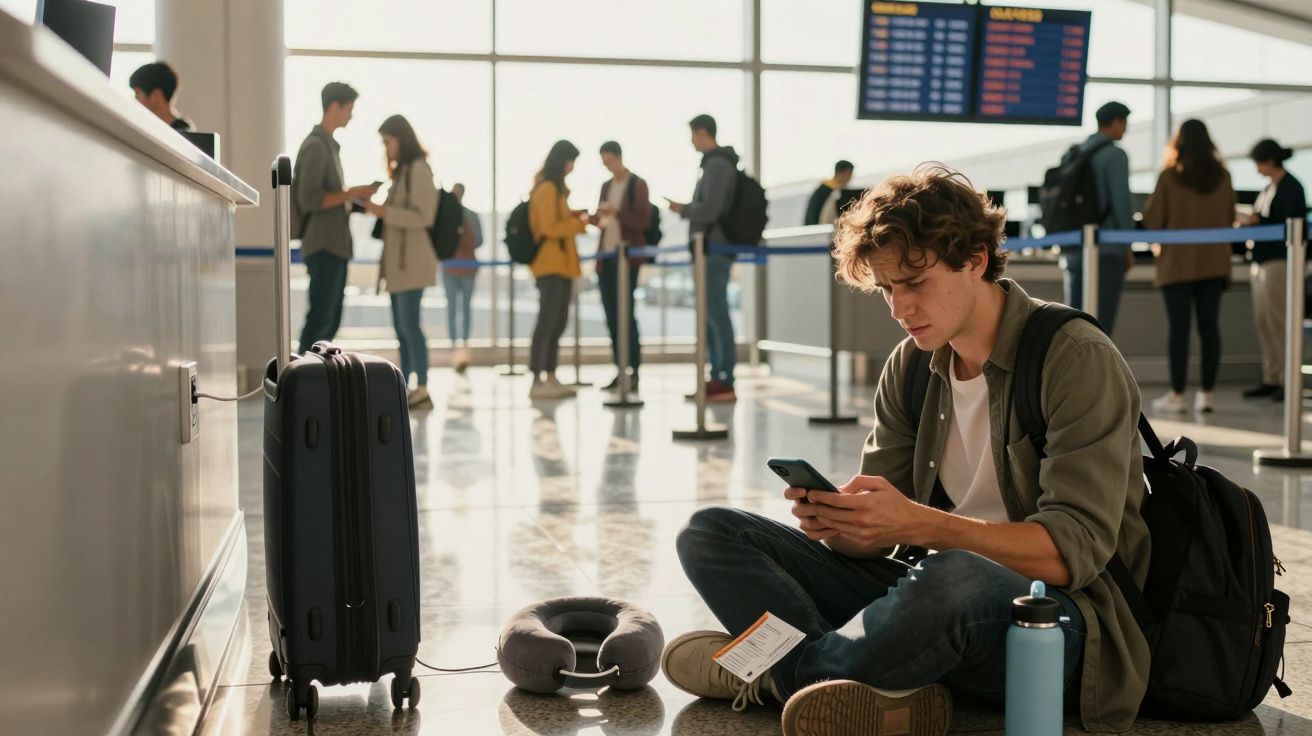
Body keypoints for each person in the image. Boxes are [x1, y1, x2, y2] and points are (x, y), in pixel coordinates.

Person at [663, 165, 1149, 736]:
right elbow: (880, 540)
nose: (899, 308)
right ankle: (870, 687)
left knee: (956, 575)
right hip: (932, 601)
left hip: (1057, 624)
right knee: (713, 532)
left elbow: (1072, 554)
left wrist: (922, 525)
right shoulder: (913, 364)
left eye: (914, 284)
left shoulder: (1073, 357)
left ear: (974, 259)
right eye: (887, 288)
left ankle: (774, 676)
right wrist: (840, 520)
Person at [1142, 119, 1236, 415]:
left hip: (1177, 266)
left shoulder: (1170, 176)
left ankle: (1178, 394)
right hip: (1214, 263)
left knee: (1179, 330)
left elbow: (1153, 220)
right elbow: (1230, 216)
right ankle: (1207, 394)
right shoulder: (1223, 177)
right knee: (1210, 329)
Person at [292, 82, 380, 354]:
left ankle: (313, 378)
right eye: (349, 109)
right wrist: (351, 192)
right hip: (324, 244)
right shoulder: (316, 147)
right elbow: (311, 199)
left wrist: (354, 199)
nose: (351, 115)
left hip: (334, 245)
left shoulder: (328, 146)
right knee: (321, 318)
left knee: (329, 319)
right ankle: (303, 378)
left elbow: (329, 199)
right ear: (334, 107)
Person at [365, 115, 439, 410]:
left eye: (388, 142)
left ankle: (421, 386)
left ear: (401, 139)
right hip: (399, 265)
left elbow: (424, 217)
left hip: (412, 263)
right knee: (402, 329)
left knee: (410, 326)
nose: (386, 149)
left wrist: (386, 212)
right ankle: (408, 386)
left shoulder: (419, 169)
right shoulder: (403, 171)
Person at [667, 114, 739, 402]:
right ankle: (717, 375)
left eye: (692, 135)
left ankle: (724, 377)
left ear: (701, 133)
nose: (691, 141)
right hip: (708, 249)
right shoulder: (713, 165)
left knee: (716, 314)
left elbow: (710, 210)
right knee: (710, 314)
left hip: (714, 249)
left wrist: (683, 209)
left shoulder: (718, 165)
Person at [1059, 101, 1136, 335]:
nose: (1126, 129)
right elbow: (1121, 204)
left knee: (1073, 323)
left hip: (1073, 248)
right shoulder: (1115, 155)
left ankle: (1072, 372)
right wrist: (1127, 247)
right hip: (1106, 250)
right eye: (1124, 123)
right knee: (1101, 327)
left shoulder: (1072, 154)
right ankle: (1097, 372)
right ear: (1114, 122)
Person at [1242, 139, 1308, 403]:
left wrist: (1257, 220)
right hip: (1261, 261)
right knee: (1264, 322)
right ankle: (1272, 376)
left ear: (1268, 160)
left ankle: (1287, 379)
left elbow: (1288, 223)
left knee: (1279, 322)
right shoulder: (1269, 188)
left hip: (1279, 262)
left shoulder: (1291, 187)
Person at [527, 140, 589, 401]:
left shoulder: (556, 191)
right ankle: (538, 378)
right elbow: (549, 228)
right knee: (548, 321)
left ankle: (549, 375)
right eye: (570, 161)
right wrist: (579, 224)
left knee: (557, 321)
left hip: (560, 267)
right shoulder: (548, 189)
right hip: (550, 266)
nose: (572, 167)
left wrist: (574, 217)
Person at [594, 141, 652, 392]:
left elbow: (642, 220)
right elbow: (603, 221)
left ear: (618, 157)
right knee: (611, 314)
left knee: (626, 313)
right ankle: (619, 369)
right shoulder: (606, 186)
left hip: (627, 258)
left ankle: (634, 370)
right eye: (604, 163)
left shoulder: (637, 184)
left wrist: (616, 212)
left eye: (609, 161)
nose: (607, 167)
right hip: (606, 256)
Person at [444, 183, 482, 374]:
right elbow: (480, 240)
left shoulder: (445, 216)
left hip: (451, 268)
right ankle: (463, 345)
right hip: (467, 268)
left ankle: (455, 345)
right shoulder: (471, 215)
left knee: (453, 307)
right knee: (464, 308)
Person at [129, 61, 193, 131]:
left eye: (137, 93)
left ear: (156, 95)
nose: (135, 99)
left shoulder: (184, 134)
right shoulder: (146, 127)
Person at [804, 160, 855, 226]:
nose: (850, 178)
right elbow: (812, 215)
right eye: (849, 174)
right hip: (821, 229)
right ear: (841, 173)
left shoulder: (838, 190)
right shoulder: (824, 190)